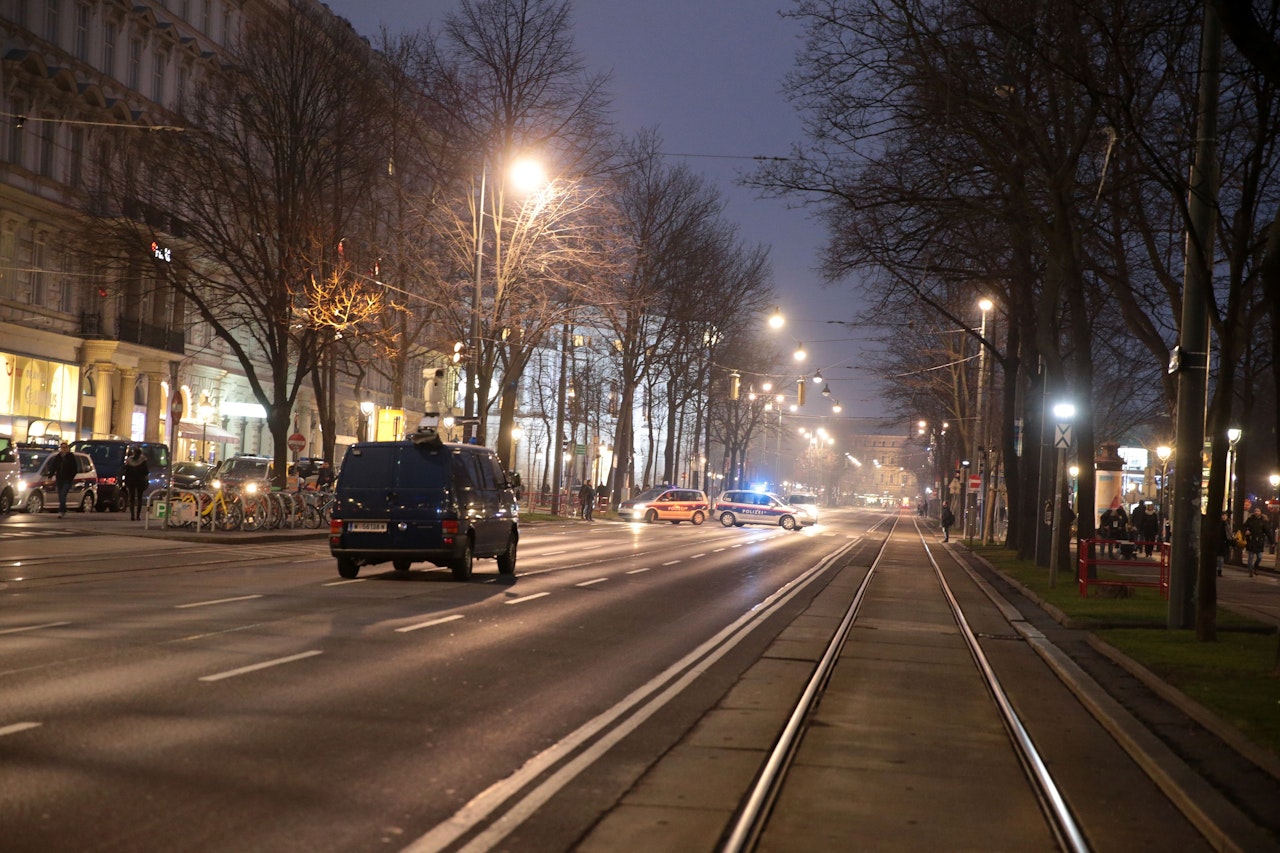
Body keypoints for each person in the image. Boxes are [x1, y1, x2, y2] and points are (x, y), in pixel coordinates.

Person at [1242, 506, 1272, 577]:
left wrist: (1272, 541)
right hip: (1251, 540)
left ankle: (1256, 567)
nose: (1256, 512)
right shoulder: (1250, 519)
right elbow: (1244, 526)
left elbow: (1267, 531)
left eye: (1258, 511)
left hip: (1259, 541)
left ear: (1260, 512)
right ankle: (1250, 571)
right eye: (1255, 511)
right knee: (1250, 557)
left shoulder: (1263, 521)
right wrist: (1246, 531)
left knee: (1259, 557)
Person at [122, 445, 150, 520]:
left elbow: (126, 472)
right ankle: (138, 516)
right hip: (140, 481)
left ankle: (132, 516)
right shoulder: (143, 460)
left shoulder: (129, 461)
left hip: (131, 481)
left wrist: (126, 481)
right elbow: (146, 472)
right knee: (139, 498)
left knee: (132, 499)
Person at [51, 441, 79, 518]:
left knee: (63, 494)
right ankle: (63, 509)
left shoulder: (71, 457)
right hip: (59, 479)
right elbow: (53, 467)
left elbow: (75, 469)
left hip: (67, 480)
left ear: (68, 448)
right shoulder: (58, 457)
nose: (63, 449)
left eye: (65, 447)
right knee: (60, 495)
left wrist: (70, 478)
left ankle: (61, 511)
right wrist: (50, 476)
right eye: (62, 448)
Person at [1216, 510, 1233, 577]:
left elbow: (1228, 534)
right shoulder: (1220, 524)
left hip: (1223, 543)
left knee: (1220, 558)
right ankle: (1218, 570)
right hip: (1219, 542)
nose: (1224, 517)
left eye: (1225, 515)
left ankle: (1219, 570)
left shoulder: (1227, 524)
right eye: (1223, 515)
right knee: (1219, 558)